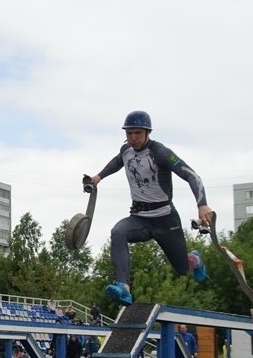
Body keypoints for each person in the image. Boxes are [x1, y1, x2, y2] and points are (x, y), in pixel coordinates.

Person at [88, 111, 212, 306]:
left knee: (182, 269)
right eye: (129, 133)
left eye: (137, 133)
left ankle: (194, 259)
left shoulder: (160, 152)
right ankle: (124, 287)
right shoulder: (126, 150)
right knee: (118, 231)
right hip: (140, 219)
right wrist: (98, 177)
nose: (133, 138)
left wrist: (202, 204)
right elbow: (117, 162)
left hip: (165, 220)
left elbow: (192, 175)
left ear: (148, 132)